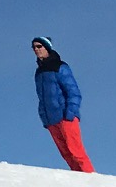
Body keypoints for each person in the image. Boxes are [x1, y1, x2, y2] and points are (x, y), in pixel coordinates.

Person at [33, 35, 95, 173]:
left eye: (39, 46)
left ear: (47, 47)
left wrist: (70, 113)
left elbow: (73, 91)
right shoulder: (39, 73)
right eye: (34, 47)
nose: (36, 50)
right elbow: (41, 97)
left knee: (76, 152)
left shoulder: (60, 67)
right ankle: (79, 179)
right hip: (51, 120)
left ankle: (91, 178)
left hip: (65, 117)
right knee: (66, 154)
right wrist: (44, 117)